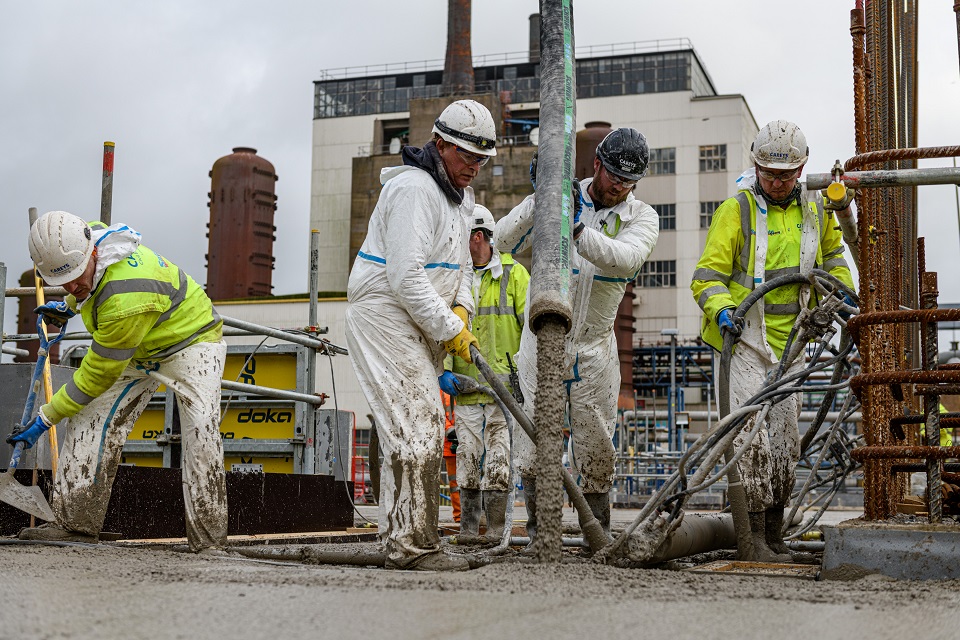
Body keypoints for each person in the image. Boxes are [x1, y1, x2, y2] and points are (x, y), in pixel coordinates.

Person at [7, 211, 227, 552]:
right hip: (137, 344)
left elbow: (96, 375)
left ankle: (210, 543)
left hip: (191, 342)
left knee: (201, 432)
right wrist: (70, 303)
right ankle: (75, 525)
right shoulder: (89, 237)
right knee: (88, 416)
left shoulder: (125, 297)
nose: (71, 286)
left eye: (76, 277)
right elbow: (88, 286)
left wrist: (45, 418)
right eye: (62, 281)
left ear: (92, 254)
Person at [691, 120, 856, 561]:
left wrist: (836, 298)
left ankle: (774, 538)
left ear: (802, 168)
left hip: (792, 347)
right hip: (743, 343)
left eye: (786, 175)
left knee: (785, 444)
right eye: (769, 174)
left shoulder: (817, 211)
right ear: (756, 166)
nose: (778, 183)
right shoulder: (737, 210)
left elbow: (835, 262)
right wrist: (723, 309)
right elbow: (707, 275)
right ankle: (752, 540)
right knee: (749, 441)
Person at [345, 98, 495, 571]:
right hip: (385, 312)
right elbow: (405, 278)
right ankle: (414, 547)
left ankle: (401, 536)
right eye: (466, 156)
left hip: (421, 320)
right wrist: (452, 331)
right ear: (440, 144)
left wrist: (461, 311)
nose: (473, 167)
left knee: (409, 432)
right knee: (421, 423)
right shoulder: (414, 189)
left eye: (480, 160)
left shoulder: (462, 199)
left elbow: (466, 269)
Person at [494, 127, 660, 545]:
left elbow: (626, 259)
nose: (618, 188)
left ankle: (596, 535)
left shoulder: (641, 216)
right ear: (596, 164)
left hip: (594, 345)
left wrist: (578, 231)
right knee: (532, 437)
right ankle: (539, 533)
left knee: (597, 442)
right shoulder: (562, 197)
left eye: (627, 183)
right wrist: (543, 200)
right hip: (541, 342)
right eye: (612, 178)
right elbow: (501, 239)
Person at [448, 204, 529, 545]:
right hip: (465, 390)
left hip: (502, 395)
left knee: (498, 464)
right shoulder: (454, 276)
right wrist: (444, 371)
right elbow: (443, 328)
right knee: (466, 460)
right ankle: (469, 532)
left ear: (477, 237)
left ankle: (496, 531)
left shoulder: (515, 276)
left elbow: (532, 334)